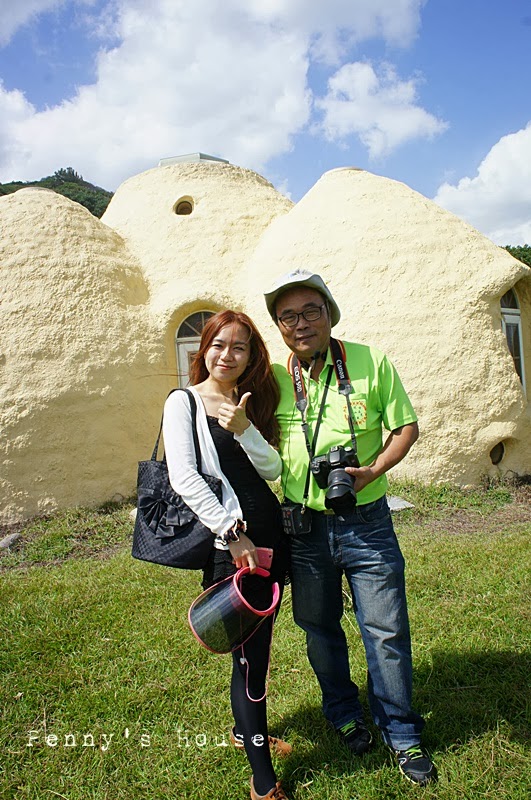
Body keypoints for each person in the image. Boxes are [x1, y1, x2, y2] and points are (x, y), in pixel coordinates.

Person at [264, 270, 437, 786]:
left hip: (366, 521)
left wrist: (374, 469)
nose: (300, 324)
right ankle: (343, 712)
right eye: (288, 316)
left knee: (385, 629)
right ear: (279, 326)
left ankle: (401, 731)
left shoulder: (368, 361)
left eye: (310, 311)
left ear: (329, 313)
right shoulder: (273, 377)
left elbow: (406, 426)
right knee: (318, 629)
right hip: (304, 528)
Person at [163, 310, 291, 800]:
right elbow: (185, 477)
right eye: (218, 344)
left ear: (249, 356)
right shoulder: (185, 402)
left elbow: (273, 469)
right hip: (233, 547)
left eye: (238, 347)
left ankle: (244, 732)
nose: (227, 355)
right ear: (204, 349)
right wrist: (230, 531)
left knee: (254, 651)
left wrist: (243, 427)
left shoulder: (246, 403)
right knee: (249, 659)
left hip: (271, 539)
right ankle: (263, 781)